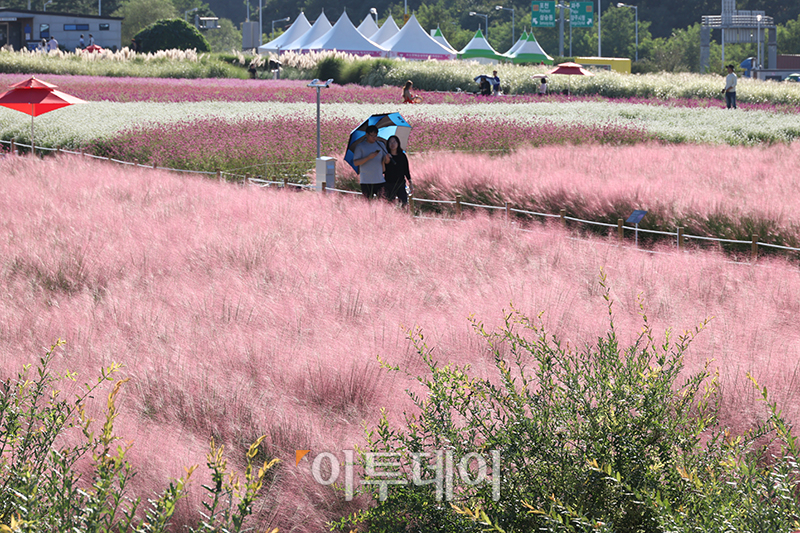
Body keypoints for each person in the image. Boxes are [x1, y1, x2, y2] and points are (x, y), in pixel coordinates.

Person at [352, 125, 387, 200]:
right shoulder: (360, 146)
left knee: (382, 202)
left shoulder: (380, 145)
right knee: (367, 203)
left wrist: (387, 158)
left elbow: (386, 160)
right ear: (367, 134)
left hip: (380, 180)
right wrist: (368, 157)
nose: (374, 138)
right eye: (372, 135)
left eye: (376, 135)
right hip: (366, 181)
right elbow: (356, 162)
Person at [383, 135, 413, 207]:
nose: (392, 144)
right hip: (389, 183)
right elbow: (383, 171)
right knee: (390, 204)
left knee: (404, 203)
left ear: (398, 143)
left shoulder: (402, 156)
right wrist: (386, 160)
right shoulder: (385, 156)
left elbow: (406, 170)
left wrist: (410, 182)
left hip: (400, 183)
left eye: (394, 142)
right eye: (390, 142)